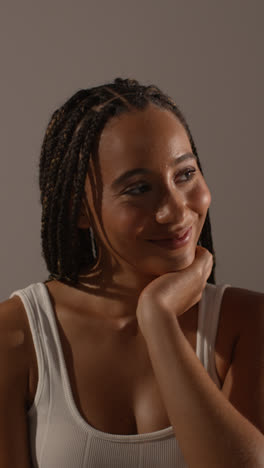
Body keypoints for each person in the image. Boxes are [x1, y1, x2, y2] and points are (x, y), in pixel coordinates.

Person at [0, 78, 263, 468]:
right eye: (139, 189)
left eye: (185, 174)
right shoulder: (15, 335)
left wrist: (157, 317)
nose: (175, 211)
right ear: (79, 210)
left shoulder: (248, 323)